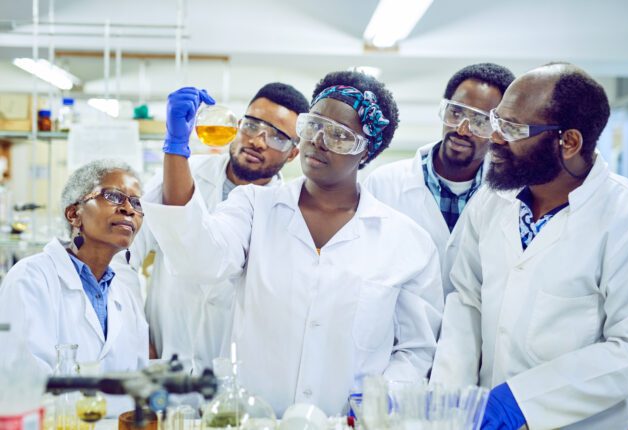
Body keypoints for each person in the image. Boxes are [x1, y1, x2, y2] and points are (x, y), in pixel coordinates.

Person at [140, 71, 444, 416]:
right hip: (251, 420)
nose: (319, 141)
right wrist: (176, 148)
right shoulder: (254, 206)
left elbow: (415, 350)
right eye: (314, 126)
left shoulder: (406, 242)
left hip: (344, 423)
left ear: (366, 152)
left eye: (339, 136)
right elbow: (199, 260)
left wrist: (377, 405)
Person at [430, 63, 628, 429]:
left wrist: (520, 401)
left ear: (569, 141)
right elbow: (467, 300)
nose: (495, 137)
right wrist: (449, 404)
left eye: (512, 128)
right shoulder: (494, 198)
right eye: (498, 122)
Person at [113, 83, 309, 366]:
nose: (258, 141)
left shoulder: (290, 213)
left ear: (293, 153)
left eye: (278, 137)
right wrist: (136, 332)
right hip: (159, 354)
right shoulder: (181, 173)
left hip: (234, 370)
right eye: (253, 125)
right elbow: (122, 255)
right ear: (238, 125)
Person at [363, 63, 514, 295]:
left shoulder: (511, 196)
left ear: (499, 129)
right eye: (456, 113)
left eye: (480, 121)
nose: (463, 129)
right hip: (399, 327)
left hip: (473, 329)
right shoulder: (384, 184)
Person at [0, 159, 148, 374]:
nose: (129, 209)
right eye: (114, 196)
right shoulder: (30, 278)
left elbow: (140, 381)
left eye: (136, 203)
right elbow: (23, 380)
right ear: (74, 214)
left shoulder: (126, 296)